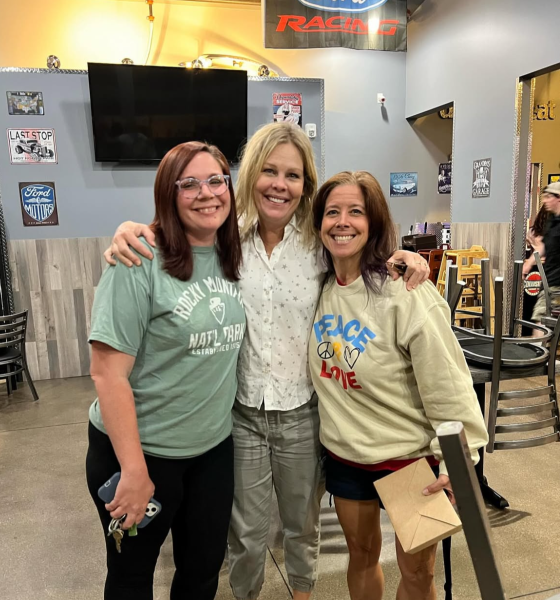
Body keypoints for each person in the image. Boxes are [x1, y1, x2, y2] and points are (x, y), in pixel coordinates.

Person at [103, 122, 430, 600]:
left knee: (301, 528)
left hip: (303, 413)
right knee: (246, 537)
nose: (280, 184)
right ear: (252, 174)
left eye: (293, 176)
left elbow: (360, 249)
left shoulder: (318, 243)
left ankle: (302, 594)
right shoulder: (225, 236)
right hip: (240, 417)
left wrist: (405, 256)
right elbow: (174, 229)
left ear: (305, 185)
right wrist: (130, 229)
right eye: (270, 171)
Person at [309, 170, 488, 600]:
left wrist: (461, 462)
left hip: (409, 459)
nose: (342, 222)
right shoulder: (320, 288)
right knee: (362, 554)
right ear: (318, 224)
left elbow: (447, 380)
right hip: (347, 455)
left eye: (356, 211)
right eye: (332, 212)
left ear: (374, 222)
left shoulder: (403, 290)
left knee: (417, 574)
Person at [85, 141, 246, 600]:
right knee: (132, 578)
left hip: (211, 451)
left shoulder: (233, 253)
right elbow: (107, 374)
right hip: (140, 453)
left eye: (216, 180)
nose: (206, 192)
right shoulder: (138, 259)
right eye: (189, 183)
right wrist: (133, 470)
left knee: (201, 575)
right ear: (168, 194)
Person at [526, 183, 560, 325]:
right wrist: (528, 264)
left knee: (540, 323)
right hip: (550, 282)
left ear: (558, 198)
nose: (544, 200)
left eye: (548, 197)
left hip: (556, 285)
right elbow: (544, 245)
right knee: (542, 323)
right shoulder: (552, 221)